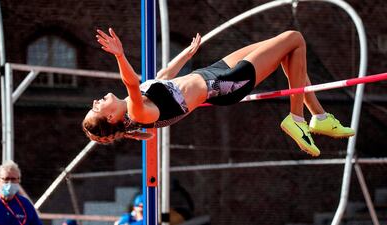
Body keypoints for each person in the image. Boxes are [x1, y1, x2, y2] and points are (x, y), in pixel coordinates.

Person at [82, 28, 355, 156]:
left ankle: (318, 116)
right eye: (96, 107)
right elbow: (131, 82)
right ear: (110, 118)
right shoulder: (137, 113)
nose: (96, 100)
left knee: (292, 55)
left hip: (212, 71)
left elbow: (162, 78)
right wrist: (120, 55)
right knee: (294, 38)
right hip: (226, 83)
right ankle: (297, 119)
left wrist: (187, 54)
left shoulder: (136, 102)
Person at [0, 160, 43, 225]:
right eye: (6, 179)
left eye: (13, 179)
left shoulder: (25, 205)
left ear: (18, 181)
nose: (10, 183)